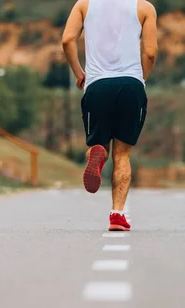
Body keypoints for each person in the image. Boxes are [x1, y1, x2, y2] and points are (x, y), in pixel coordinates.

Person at [62, 0, 158, 232]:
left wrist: (79, 74)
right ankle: (117, 214)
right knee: (123, 154)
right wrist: (139, 79)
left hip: (97, 85)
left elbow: (67, 40)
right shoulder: (144, 8)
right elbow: (151, 52)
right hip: (130, 85)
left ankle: (97, 152)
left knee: (99, 142)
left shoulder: (84, 5)